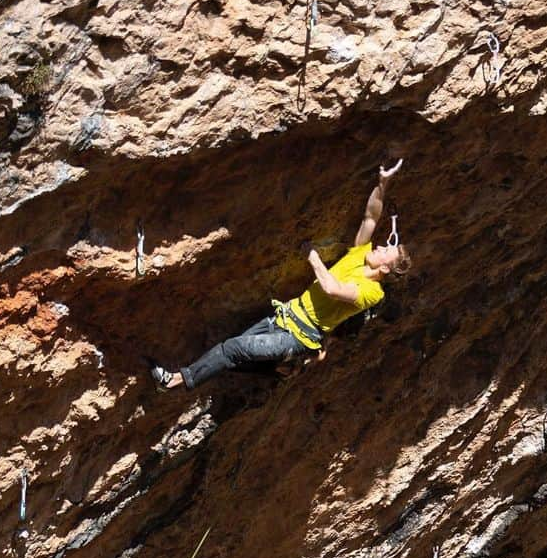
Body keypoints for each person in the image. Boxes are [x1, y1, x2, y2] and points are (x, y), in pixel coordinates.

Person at [151, 160, 410, 391]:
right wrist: (383, 184)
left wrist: (312, 255)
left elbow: (332, 288)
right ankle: (280, 370)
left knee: (232, 349)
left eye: (387, 250)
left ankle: (175, 381)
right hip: (284, 315)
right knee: (233, 353)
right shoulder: (359, 253)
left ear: (386, 269)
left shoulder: (372, 293)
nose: (380, 245)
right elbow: (370, 217)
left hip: (298, 337)